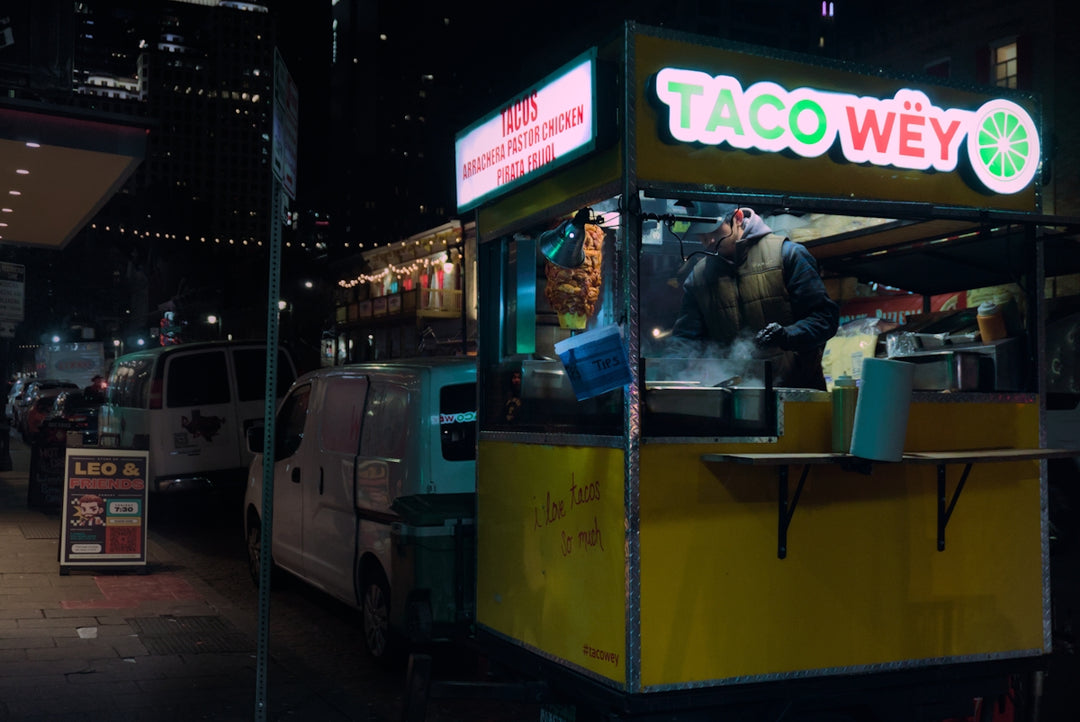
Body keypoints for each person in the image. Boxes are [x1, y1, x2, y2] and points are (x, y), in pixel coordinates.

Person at [671, 203, 839, 389]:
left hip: (796, 394)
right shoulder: (698, 277)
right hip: (733, 401)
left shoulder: (787, 255)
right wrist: (669, 373)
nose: (708, 240)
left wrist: (787, 336)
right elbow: (685, 342)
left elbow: (825, 319)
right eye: (700, 235)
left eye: (714, 231)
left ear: (738, 218)